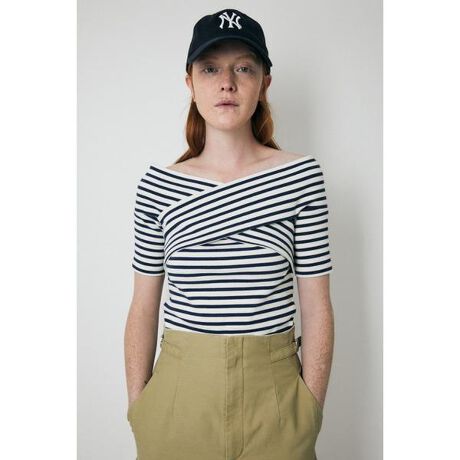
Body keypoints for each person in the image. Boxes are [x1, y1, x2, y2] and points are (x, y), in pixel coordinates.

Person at [124, 8, 334, 460]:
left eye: (243, 68)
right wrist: (139, 409)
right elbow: (143, 304)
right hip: (178, 397)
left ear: (264, 83)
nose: (227, 83)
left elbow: (317, 305)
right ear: (190, 82)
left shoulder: (301, 177)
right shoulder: (158, 186)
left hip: (275, 399)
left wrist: (310, 409)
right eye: (210, 68)